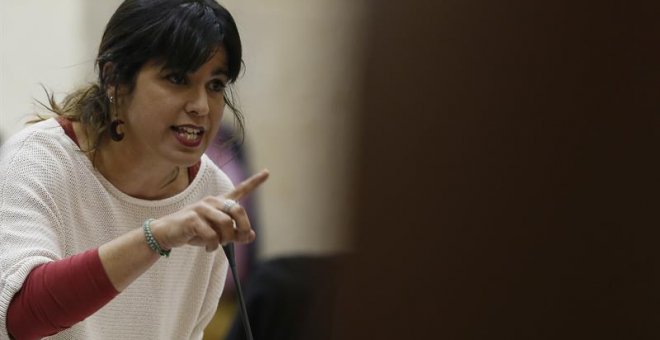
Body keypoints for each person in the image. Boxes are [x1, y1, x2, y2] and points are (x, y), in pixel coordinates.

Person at [0, 1, 268, 339]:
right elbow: (20, 317)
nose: (201, 106)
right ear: (114, 79)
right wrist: (157, 236)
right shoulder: (37, 160)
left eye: (215, 85)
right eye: (177, 79)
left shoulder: (212, 188)